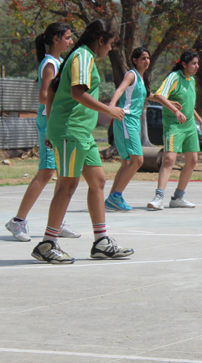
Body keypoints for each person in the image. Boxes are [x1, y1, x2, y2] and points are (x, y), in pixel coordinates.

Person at [30, 19, 134, 264]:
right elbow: (77, 93)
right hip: (70, 131)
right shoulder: (83, 57)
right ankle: (47, 244)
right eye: (110, 44)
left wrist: (49, 128)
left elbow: (53, 90)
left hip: (81, 133)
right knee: (67, 185)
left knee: (98, 181)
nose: (110, 49)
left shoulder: (78, 56)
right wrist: (109, 110)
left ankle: (101, 242)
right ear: (100, 40)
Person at [5, 23, 81, 241]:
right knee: (47, 171)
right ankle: (18, 221)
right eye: (67, 37)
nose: (71, 41)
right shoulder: (50, 64)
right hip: (48, 120)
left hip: (58, 120)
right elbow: (43, 96)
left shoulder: (59, 62)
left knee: (62, 172)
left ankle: (57, 223)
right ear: (55, 39)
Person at [147, 50, 202, 210]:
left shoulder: (191, 80)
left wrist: (201, 122)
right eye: (194, 63)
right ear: (184, 64)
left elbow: (189, 106)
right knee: (169, 159)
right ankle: (158, 197)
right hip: (174, 125)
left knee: (192, 160)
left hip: (189, 126)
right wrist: (175, 111)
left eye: (198, 63)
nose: (197, 66)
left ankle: (177, 198)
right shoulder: (174, 77)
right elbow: (159, 96)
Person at [105, 47, 157, 211]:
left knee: (127, 162)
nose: (146, 61)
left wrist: (170, 104)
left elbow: (150, 95)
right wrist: (111, 106)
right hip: (126, 119)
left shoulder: (141, 78)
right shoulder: (131, 75)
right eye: (143, 58)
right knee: (138, 160)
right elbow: (119, 90)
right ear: (135, 60)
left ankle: (112, 198)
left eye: (148, 58)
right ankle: (116, 197)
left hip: (132, 121)